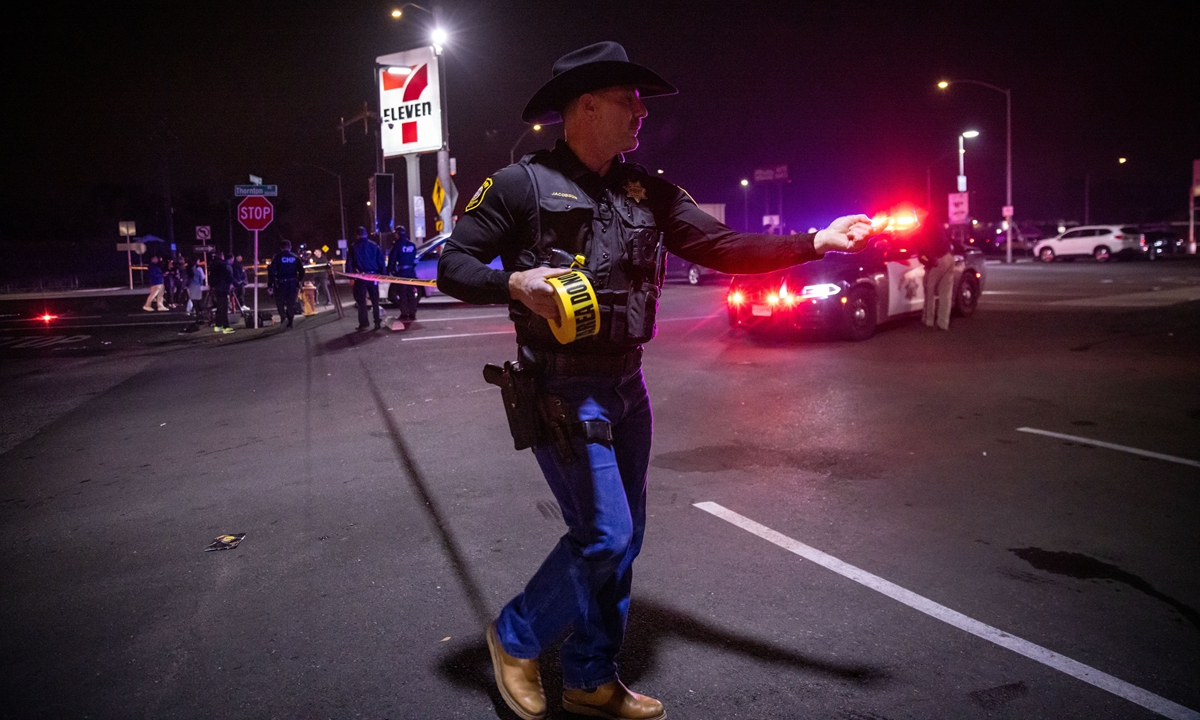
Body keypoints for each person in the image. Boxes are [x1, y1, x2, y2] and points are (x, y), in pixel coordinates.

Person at [437, 41, 876, 720]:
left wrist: (815, 241)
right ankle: (516, 635)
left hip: (626, 389)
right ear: (585, 105)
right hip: (559, 390)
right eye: (628, 99)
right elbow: (454, 266)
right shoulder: (519, 185)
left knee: (624, 536)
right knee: (606, 535)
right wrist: (515, 281)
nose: (642, 112)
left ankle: (590, 677)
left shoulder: (647, 191)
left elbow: (721, 246)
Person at [346, 227, 385, 330]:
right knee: (375, 300)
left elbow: (349, 263)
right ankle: (377, 322)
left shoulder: (354, 247)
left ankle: (364, 323)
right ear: (366, 235)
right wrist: (383, 274)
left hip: (361, 277)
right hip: (373, 276)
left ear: (357, 235)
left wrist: (351, 277)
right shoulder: (375, 246)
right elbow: (381, 261)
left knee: (361, 301)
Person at [919, 226, 955, 331]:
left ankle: (928, 321)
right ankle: (943, 323)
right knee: (945, 293)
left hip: (938, 260)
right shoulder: (936, 225)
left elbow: (924, 252)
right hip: (949, 257)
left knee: (929, 290)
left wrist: (930, 261)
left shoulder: (924, 230)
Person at [268, 240, 305, 329]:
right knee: (291, 303)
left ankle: (283, 317)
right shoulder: (295, 257)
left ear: (281, 248)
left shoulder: (277, 257)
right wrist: (299, 280)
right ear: (290, 247)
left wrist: (270, 285)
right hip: (292, 283)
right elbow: (302, 271)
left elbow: (271, 272)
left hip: (280, 283)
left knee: (280, 302)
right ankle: (290, 322)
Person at [387, 225, 419, 325]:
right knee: (411, 294)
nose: (394, 235)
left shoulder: (397, 245)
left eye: (395, 233)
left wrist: (390, 271)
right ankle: (412, 313)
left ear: (398, 234)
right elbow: (414, 259)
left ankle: (405, 313)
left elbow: (392, 260)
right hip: (411, 272)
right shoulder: (412, 245)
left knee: (402, 294)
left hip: (402, 273)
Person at [209, 252, 236, 334]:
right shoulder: (224, 265)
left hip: (217, 288)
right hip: (223, 288)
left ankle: (218, 325)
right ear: (222, 257)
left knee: (220, 307)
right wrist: (236, 283)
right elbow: (229, 276)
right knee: (224, 307)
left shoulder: (214, 265)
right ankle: (226, 327)